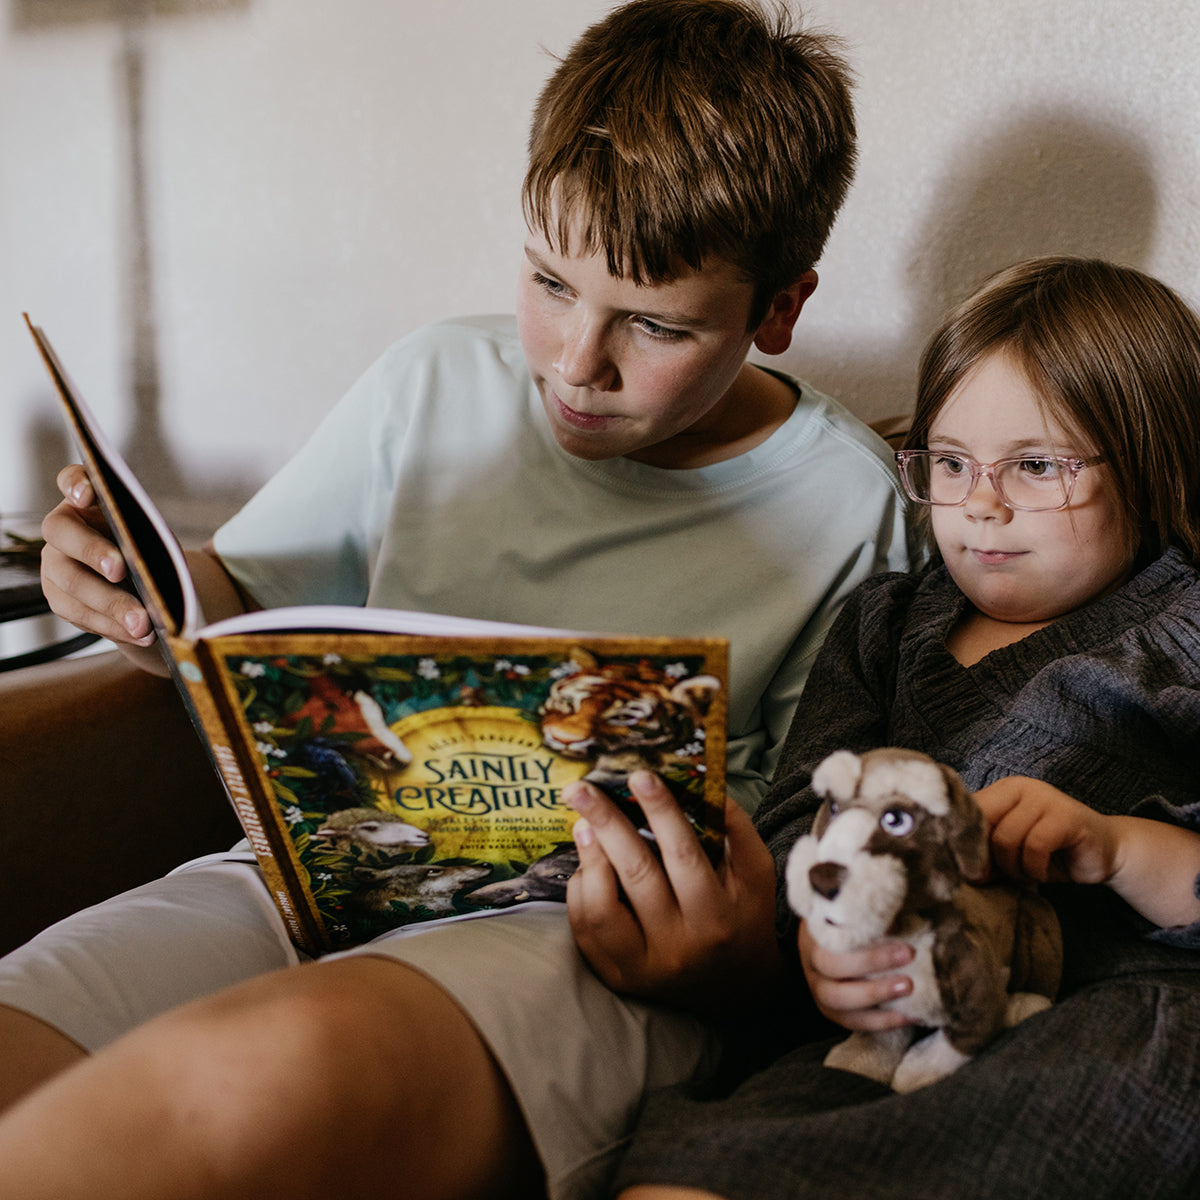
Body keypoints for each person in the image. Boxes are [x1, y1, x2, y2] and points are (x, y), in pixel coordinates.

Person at [0, 4, 911, 1199]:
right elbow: (241, 611)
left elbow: (834, 860)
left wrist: (736, 953)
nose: (576, 362)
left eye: (652, 323)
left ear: (779, 311)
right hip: (307, 878)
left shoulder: (855, 506)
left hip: (587, 947)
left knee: (263, 1074)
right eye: (548, 281)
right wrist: (137, 583)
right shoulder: (432, 381)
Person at [609, 255, 1200, 1200]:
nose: (981, 503)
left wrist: (1121, 848)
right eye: (953, 463)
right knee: (686, 1171)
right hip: (891, 1030)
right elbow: (803, 818)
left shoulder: (1183, 631)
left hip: (1117, 1018)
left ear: (1154, 459)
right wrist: (817, 948)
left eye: (1037, 466)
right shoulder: (886, 624)